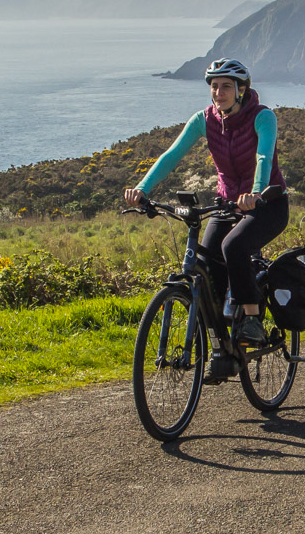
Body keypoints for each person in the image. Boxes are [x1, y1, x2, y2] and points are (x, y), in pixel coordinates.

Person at [123, 58, 289, 371]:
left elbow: (263, 157)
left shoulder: (262, 117)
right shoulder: (203, 120)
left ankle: (252, 318)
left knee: (233, 247)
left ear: (241, 89)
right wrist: (142, 189)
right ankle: (222, 347)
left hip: (267, 203)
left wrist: (255, 193)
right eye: (214, 86)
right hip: (226, 204)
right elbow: (171, 155)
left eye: (226, 86)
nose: (218, 91)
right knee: (205, 262)